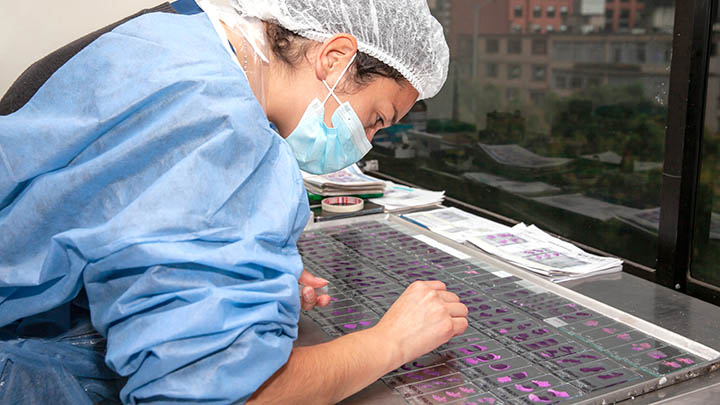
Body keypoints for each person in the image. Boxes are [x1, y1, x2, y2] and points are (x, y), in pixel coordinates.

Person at [0, 0, 466, 404]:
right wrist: (392, 342)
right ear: (335, 57)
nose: (365, 141)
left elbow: (108, 207)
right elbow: (213, 392)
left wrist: (224, 266)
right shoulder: (222, 131)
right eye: (375, 119)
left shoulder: (174, 36)